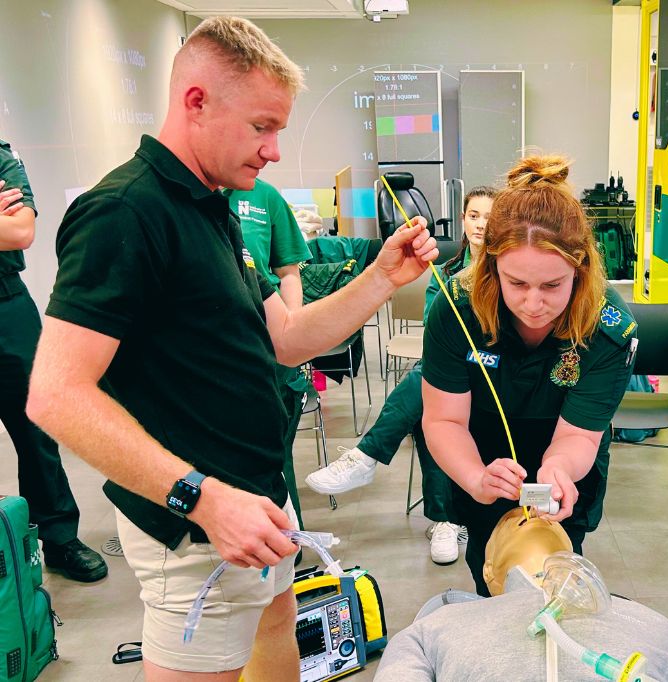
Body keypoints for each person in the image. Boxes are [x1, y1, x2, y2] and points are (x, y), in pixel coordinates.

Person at [26, 16, 436, 682]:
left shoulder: (211, 202)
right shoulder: (125, 212)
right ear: (196, 104)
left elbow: (284, 338)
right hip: (197, 527)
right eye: (262, 127)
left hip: (255, 498)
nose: (274, 150)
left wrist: (383, 277)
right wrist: (204, 500)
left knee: (275, 623)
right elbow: (56, 394)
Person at [421, 155, 638, 596]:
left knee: (554, 574)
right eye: (516, 283)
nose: (534, 304)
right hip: (479, 451)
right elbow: (443, 421)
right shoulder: (456, 310)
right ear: (491, 267)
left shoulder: (608, 327)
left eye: (553, 286)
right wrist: (477, 478)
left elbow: (580, 436)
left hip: (564, 457)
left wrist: (558, 469)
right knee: (493, 573)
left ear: (580, 270)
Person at [305, 186, 496, 565]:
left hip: (493, 375)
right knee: (431, 397)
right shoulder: (445, 274)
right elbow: (435, 333)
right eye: (473, 215)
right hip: (454, 374)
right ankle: (444, 521)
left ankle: (368, 456)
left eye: (488, 216)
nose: (480, 224)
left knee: (426, 381)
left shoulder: (507, 274)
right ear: (463, 221)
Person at [375, 509, 668, 681]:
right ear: (488, 571)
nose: (534, 513)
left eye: (554, 521)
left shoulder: (661, 629)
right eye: (513, 520)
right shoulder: (434, 629)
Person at [0, 139, 107, 583]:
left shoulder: (2, 158)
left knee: (37, 424)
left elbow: (20, 231)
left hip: (5, 304)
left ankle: (59, 537)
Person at [224, 177, 312, 529]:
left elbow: (288, 272)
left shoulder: (265, 196)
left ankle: (289, 539)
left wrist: (292, 330)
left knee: (274, 449)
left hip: (267, 334)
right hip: (217, 346)